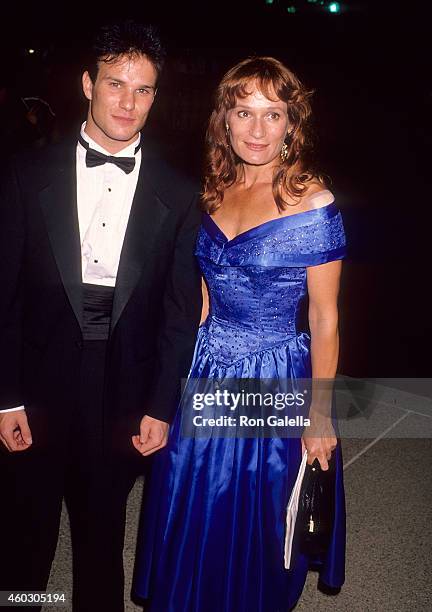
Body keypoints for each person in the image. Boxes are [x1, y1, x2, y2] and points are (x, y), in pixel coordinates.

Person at [0, 20, 201, 612]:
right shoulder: (24, 173)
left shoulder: (179, 190)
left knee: (102, 536)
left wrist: (160, 406)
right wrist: (5, 396)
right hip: (36, 381)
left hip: (124, 387)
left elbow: (178, 310)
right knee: (22, 536)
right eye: (115, 84)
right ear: (88, 83)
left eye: (143, 90)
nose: (128, 102)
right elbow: (3, 295)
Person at [133, 56, 347, 611]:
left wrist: (320, 414)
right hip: (206, 367)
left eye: (272, 114)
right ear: (223, 121)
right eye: (244, 112)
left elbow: (325, 318)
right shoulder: (211, 190)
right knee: (193, 499)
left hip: (272, 374)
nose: (257, 129)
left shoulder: (314, 202)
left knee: (257, 513)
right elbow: (202, 296)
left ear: (291, 123)